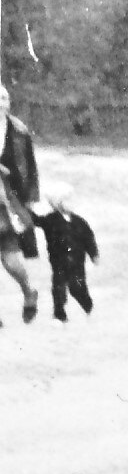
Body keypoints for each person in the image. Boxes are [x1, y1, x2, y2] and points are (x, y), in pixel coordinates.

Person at [0, 82, 44, 323]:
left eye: (4, 98)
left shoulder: (19, 131)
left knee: (10, 259)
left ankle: (29, 291)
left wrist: (31, 200)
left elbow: (31, 167)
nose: (0, 103)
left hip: (9, 202)